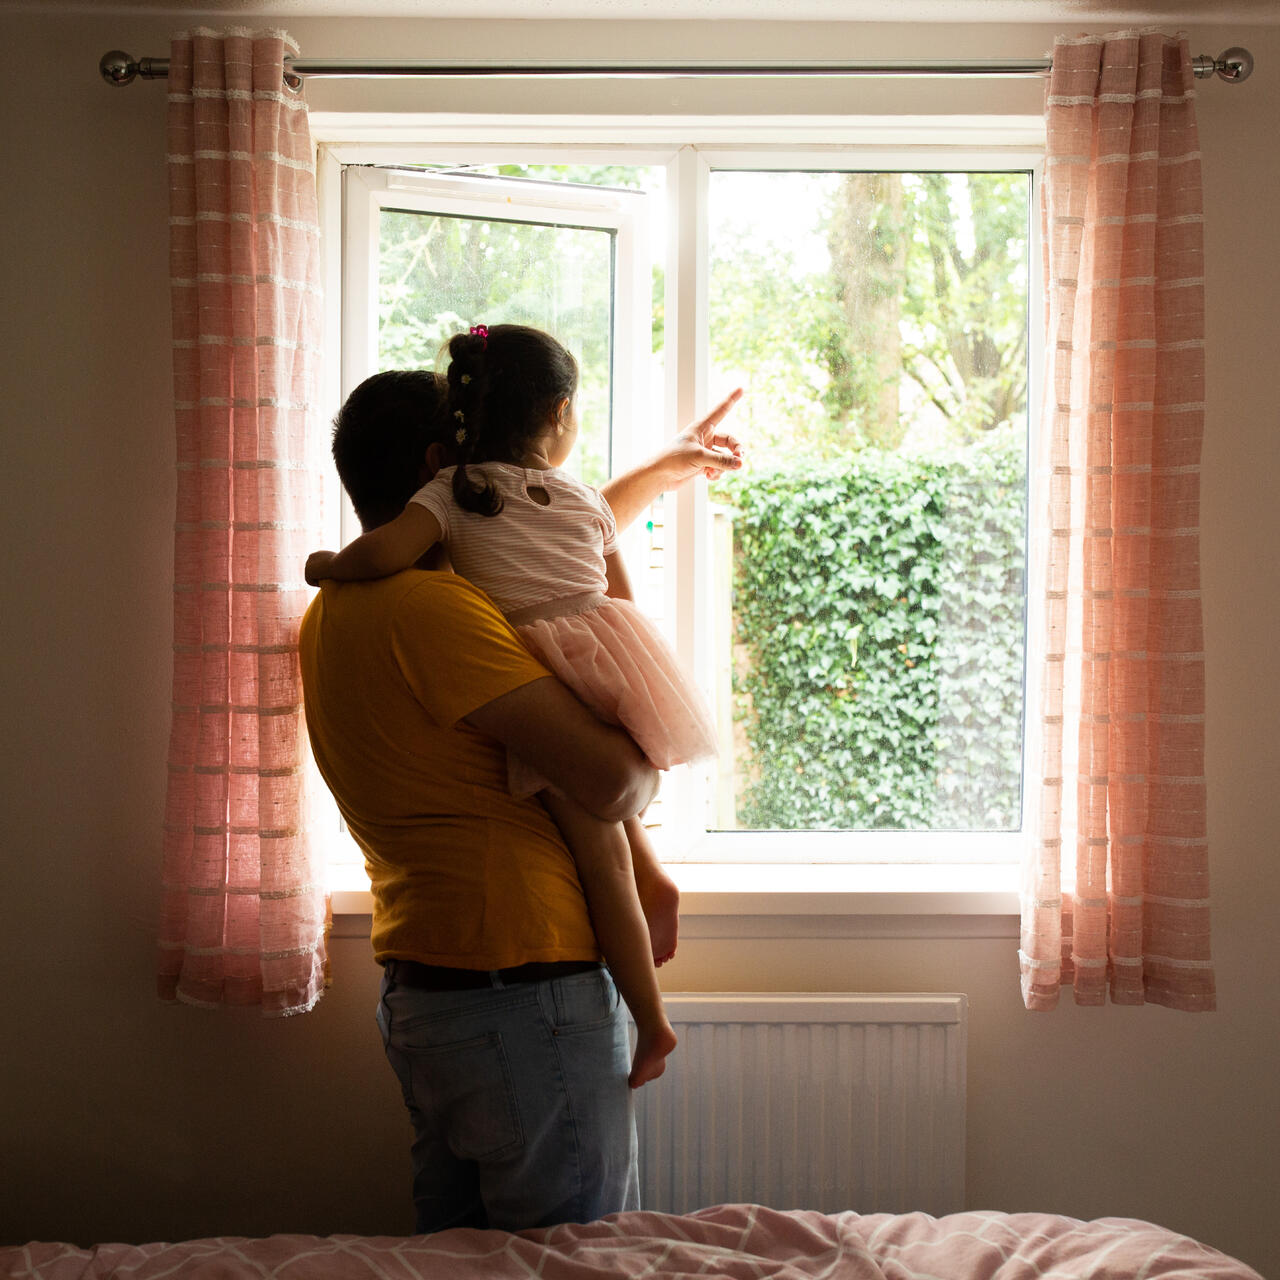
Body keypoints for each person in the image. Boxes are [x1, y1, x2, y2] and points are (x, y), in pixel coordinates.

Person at [298, 365, 741, 1234]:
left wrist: (660, 471)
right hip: (520, 990)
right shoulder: (433, 609)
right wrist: (655, 751)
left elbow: (553, 540)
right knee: (574, 1258)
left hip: (427, 992)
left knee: (457, 1255)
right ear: (440, 462)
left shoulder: (333, 615)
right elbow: (610, 779)